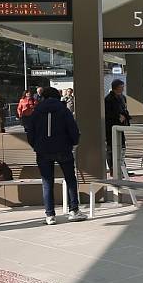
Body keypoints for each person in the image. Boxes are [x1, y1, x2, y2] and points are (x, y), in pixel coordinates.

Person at [26, 87, 85, 225]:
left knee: (47, 182)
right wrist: (73, 143)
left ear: (43, 97)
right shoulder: (64, 110)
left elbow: (30, 133)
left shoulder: (36, 111)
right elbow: (73, 130)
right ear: (57, 97)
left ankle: (50, 215)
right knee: (70, 179)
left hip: (43, 151)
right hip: (63, 149)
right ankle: (74, 211)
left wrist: (36, 146)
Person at [105, 79, 131, 175]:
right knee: (111, 148)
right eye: (122, 87)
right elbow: (108, 113)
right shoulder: (108, 99)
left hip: (120, 127)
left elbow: (124, 110)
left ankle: (122, 168)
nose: (123, 89)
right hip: (111, 128)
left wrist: (125, 116)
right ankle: (113, 169)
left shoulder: (122, 98)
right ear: (117, 87)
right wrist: (118, 117)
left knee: (122, 147)